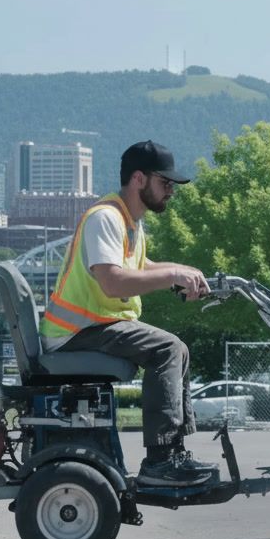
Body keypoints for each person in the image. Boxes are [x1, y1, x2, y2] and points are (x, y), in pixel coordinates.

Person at [39, 140, 217, 487]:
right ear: (139, 179)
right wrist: (173, 276)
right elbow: (113, 282)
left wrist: (183, 271)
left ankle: (174, 452)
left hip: (96, 325)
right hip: (76, 332)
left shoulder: (130, 222)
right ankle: (160, 460)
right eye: (165, 183)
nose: (171, 192)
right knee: (168, 348)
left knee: (176, 349)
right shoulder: (106, 218)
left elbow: (142, 266)